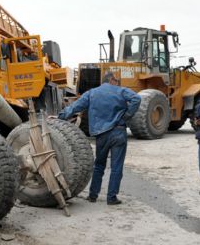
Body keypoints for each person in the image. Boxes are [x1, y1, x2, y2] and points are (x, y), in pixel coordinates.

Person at [57, 71, 141, 205]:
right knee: (116, 166)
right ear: (112, 80)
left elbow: (75, 107)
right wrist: (127, 115)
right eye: (116, 81)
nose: (117, 83)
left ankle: (93, 195)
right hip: (118, 132)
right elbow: (137, 99)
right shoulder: (121, 91)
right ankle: (111, 197)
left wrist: (61, 116)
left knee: (99, 165)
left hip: (101, 134)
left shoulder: (92, 93)